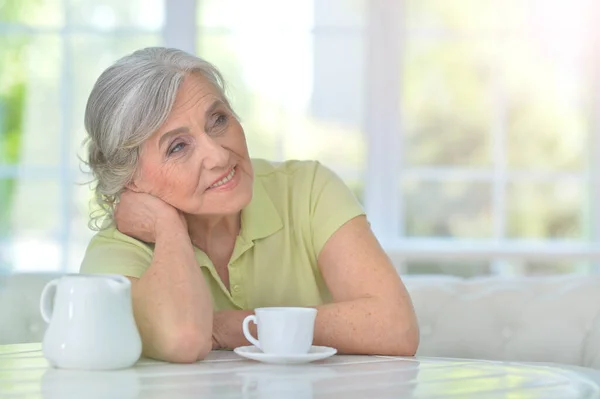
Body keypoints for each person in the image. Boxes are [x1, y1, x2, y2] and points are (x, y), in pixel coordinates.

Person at [80, 47, 419, 363]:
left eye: (218, 120)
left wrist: (230, 326)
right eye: (178, 147)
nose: (218, 155)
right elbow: (184, 337)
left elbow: (396, 326)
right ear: (132, 180)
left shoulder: (307, 189)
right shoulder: (116, 253)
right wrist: (168, 228)